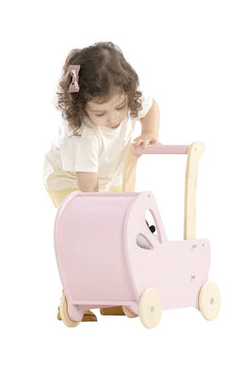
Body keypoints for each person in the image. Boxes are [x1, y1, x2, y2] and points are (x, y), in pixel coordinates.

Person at [43, 42, 160, 322]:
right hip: (71, 183)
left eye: (119, 107)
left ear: (127, 93)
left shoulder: (127, 100)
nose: (114, 118)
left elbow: (150, 107)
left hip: (107, 179)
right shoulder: (84, 136)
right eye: (100, 113)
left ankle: (110, 296)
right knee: (89, 236)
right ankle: (73, 296)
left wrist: (149, 133)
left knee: (117, 235)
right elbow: (88, 196)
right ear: (83, 108)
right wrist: (104, 223)